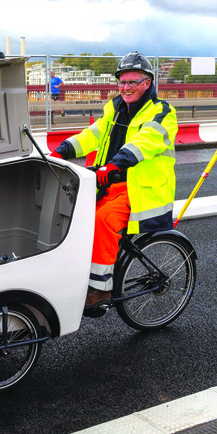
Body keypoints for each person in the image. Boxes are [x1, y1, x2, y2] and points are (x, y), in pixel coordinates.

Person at [49, 52, 177, 308]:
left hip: (139, 189)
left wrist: (115, 164)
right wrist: (62, 150)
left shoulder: (162, 112)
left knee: (102, 220)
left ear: (147, 83)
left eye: (132, 82)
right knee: (74, 216)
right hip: (110, 182)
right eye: (122, 82)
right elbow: (92, 135)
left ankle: (100, 290)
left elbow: (145, 142)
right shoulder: (116, 108)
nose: (126, 87)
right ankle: (83, 273)